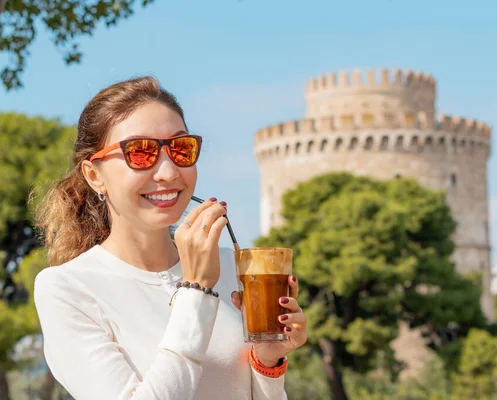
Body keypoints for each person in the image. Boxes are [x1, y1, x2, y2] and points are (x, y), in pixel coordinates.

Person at [33, 76, 307, 399]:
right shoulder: (66, 290)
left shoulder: (233, 269)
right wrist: (196, 291)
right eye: (140, 152)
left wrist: (267, 360)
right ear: (94, 175)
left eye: (180, 149)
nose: (168, 172)